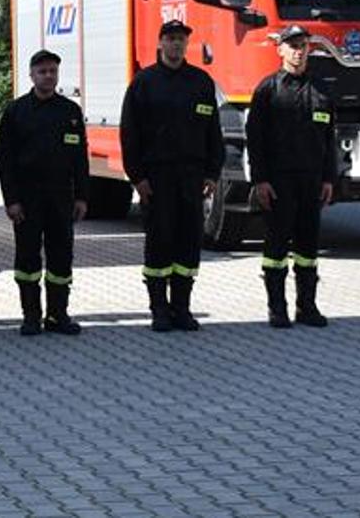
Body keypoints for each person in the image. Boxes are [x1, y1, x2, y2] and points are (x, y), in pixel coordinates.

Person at [120, 19, 225, 332]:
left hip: (192, 177)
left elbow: (213, 133)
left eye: (181, 39)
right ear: (160, 43)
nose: (177, 45)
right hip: (157, 177)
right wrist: (137, 177)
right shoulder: (144, 83)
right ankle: (159, 310)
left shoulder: (201, 83)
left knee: (188, 243)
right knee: (159, 242)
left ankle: (182, 308)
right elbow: (130, 135)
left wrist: (212, 173)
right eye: (171, 39)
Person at [244, 25, 335, 328]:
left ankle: (307, 307)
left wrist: (328, 179)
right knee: (276, 248)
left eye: (303, 45)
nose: (298, 51)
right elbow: (254, 139)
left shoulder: (321, 89)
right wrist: (260, 180)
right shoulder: (268, 90)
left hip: (311, 181)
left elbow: (329, 138)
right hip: (279, 182)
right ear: (280, 49)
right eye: (292, 45)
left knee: (308, 248)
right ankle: (277, 308)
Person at [0, 49, 89, 337]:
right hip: (27, 198)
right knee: (27, 260)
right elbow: (5, 160)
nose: (48, 76)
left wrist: (82, 197)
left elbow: (80, 159)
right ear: (31, 75)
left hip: (61, 196)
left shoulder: (70, 112)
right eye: (43, 71)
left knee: (61, 257)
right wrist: (11, 200)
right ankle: (31, 316)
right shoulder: (16, 112)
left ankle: (58, 315)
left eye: (53, 71)